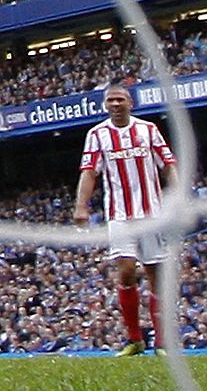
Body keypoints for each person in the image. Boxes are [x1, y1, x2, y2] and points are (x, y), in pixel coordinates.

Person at [74, 82, 177, 355]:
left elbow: (168, 165)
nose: (116, 104)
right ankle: (135, 339)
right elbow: (89, 172)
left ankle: (162, 342)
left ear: (131, 103)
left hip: (152, 214)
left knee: (156, 275)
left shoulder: (148, 130)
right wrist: (81, 206)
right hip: (119, 214)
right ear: (105, 105)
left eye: (120, 99)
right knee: (127, 270)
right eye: (111, 100)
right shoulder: (97, 135)